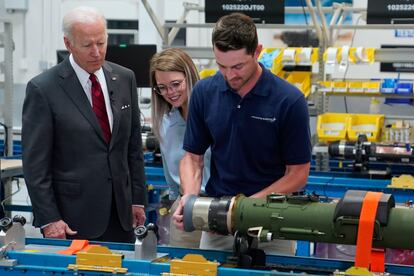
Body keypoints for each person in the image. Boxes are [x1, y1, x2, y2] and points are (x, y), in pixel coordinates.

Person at [173, 13, 312, 254]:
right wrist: (190, 197)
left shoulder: (289, 101)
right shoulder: (205, 92)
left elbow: (298, 174)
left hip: (273, 223)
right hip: (219, 223)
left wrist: (242, 209)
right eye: (222, 66)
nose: (230, 75)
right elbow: (192, 158)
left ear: (257, 52)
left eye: (238, 66)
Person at [21, 6, 147, 243]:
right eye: (87, 45)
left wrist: (137, 200)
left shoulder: (125, 78)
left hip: (121, 217)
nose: (97, 52)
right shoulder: (43, 89)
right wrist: (49, 219)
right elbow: (36, 165)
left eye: (101, 43)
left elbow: (132, 147)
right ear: (68, 44)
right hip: (71, 220)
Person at [149, 48, 210, 248]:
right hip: (185, 208)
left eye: (176, 84)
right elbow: (171, 177)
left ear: (190, 76)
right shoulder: (166, 124)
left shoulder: (213, 115)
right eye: (163, 87)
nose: (171, 93)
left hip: (219, 205)